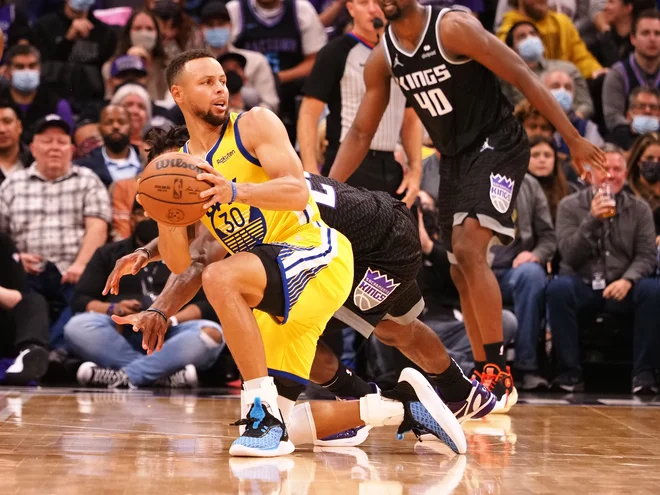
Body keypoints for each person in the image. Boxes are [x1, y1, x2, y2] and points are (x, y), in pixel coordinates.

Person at [104, 50, 464, 457]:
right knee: (294, 424)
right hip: (278, 274)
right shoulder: (183, 167)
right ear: (178, 93)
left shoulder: (253, 124)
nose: (220, 88)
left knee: (221, 280)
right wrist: (164, 218)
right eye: (206, 82)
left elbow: (297, 191)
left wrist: (236, 191)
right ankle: (400, 407)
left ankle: (261, 412)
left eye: (222, 80)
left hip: (317, 252)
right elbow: (183, 262)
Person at [139, 124, 495, 446]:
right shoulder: (223, 194)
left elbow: (200, 256)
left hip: (376, 239)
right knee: (397, 329)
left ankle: (371, 401)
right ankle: (460, 392)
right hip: (359, 236)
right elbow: (194, 252)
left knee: (295, 322)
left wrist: (161, 304)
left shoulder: (237, 188)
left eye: (176, 181)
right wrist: (153, 281)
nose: (176, 190)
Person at [327, 1, 605, 412]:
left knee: (471, 248)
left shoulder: (452, 28)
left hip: (497, 141)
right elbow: (361, 131)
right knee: (459, 265)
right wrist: (324, 191)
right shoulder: (382, 56)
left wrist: (572, 138)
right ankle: (482, 372)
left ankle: (498, 370)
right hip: (454, 156)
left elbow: (522, 75)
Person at [547, 144, 660, 393]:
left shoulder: (639, 209)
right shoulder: (569, 206)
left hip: (622, 287)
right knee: (558, 289)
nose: (610, 175)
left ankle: (644, 375)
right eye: (604, 169)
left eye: (617, 169)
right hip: (582, 282)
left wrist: (628, 280)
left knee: (652, 290)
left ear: (625, 173)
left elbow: (646, 256)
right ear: (590, 174)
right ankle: (569, 374)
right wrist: (592, 220)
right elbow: (569, 255)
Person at [298, 0, 422, 204]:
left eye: (378, 2)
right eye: (364, 2)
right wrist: (312, 173)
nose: (373, 9)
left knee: (405, 235)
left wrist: (416, 170)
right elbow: (308, 113)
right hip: (346, 164)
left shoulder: (405, 51)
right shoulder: (335, 52)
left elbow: (411, 116)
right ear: (350, 8)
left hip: (391, 165)